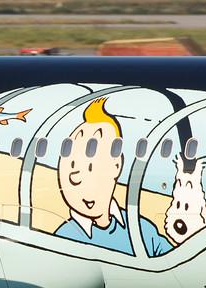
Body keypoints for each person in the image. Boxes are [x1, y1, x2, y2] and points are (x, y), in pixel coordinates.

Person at [53, 98, 172, 256]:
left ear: (117, 165)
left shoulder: (141, 229)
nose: (76, 178)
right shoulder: (61, 239)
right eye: (73, 166)